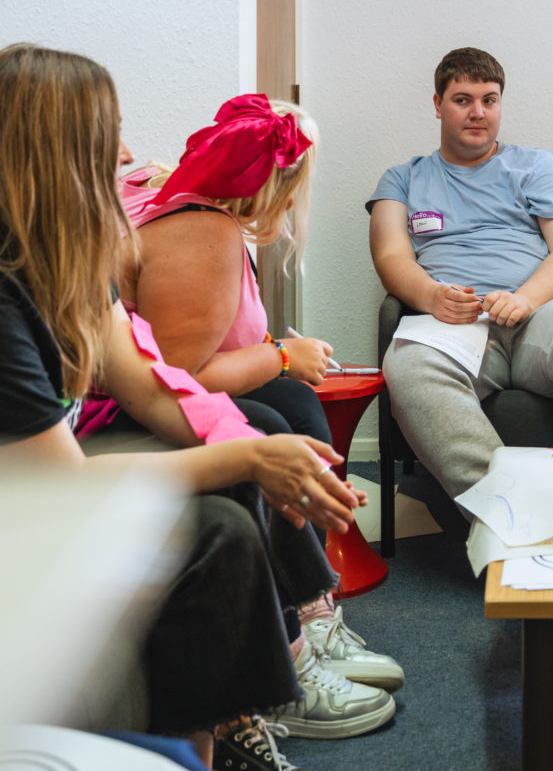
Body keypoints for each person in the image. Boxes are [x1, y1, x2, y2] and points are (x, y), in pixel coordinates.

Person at [0, 43, 387, 771]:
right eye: (107, 133)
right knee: (215, 524)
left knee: (254, 441)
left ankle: (233, 729)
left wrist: (259, 452)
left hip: (48, 469)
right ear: (57, 153)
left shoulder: (70, 265)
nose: (128, 151)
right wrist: (247, 455)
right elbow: (59, 484)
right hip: (28, 496)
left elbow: (153, 387)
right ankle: (219, 737)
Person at [112, 96, 406, 698]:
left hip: (150, 386)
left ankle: (313, 605)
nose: (124, 151)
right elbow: (178, 374)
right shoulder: (203, 229)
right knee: (272, 419)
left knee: (293, 405)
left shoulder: (193, 210)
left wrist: (278, 358)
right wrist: (278, 356)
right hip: (133, 402)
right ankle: (294, 637)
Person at [367, 47, 553, 502]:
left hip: (542, 314)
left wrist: (526, 299)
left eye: (489, 100)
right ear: (437, 104)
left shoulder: (536, 166)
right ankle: (508, 511)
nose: (478, 113)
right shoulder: (403, 179)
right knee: (408, 363)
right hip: (455, 322)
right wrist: (433, 296)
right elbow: (391, 257)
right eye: (462, 99)